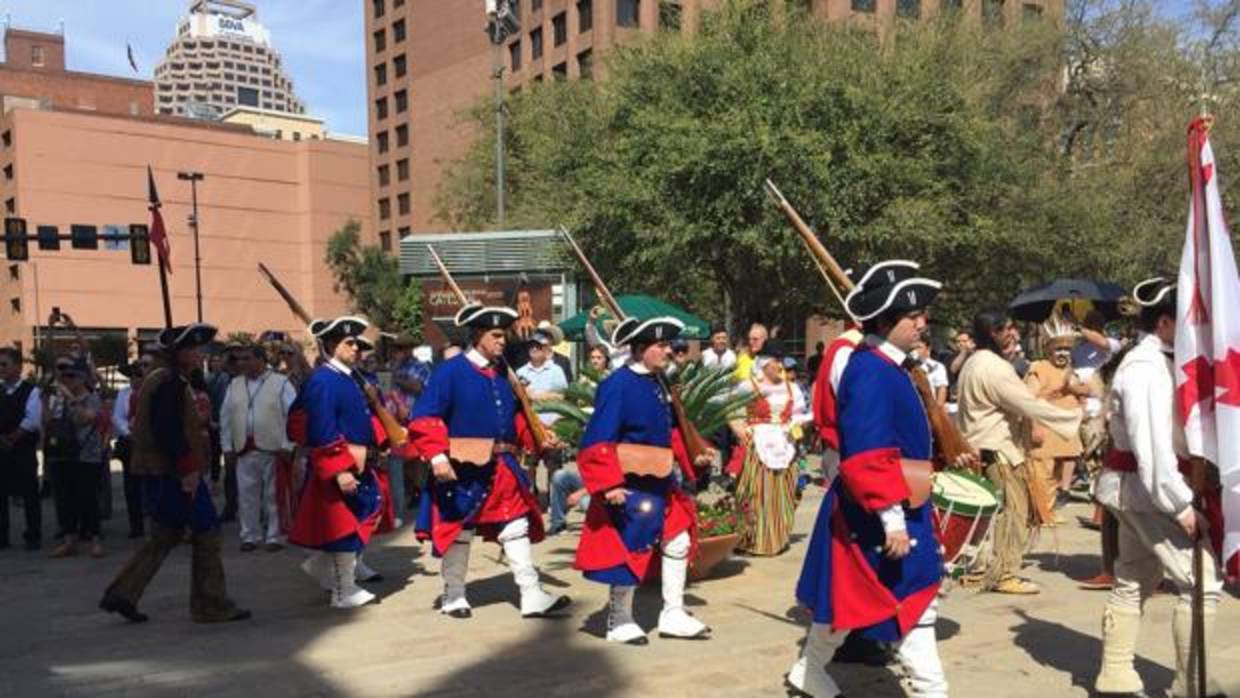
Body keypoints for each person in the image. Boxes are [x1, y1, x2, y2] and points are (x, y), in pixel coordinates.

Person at [790, 260, 949, 698]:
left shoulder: (888, 365)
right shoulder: (870, 370)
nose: (922, 324)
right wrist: (891, 519)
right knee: (912, 602)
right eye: (912, 317)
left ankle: (809, 670)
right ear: (885, 321)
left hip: (895, 500)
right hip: (879, 507)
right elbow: (868, 452)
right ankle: (932, 691)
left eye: (921, 315)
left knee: (850, 601)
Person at [1092, 278, 1226, 698]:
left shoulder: (1159, 361)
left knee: (1135, 576)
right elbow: (1150, 447)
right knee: (1202, 581)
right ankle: (1191, 684)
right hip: (1146, 490)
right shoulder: (1145, 368)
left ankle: (1115, 676)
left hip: (1140, 488)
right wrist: (1180, 504)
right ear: (1164, 322)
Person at [408, 302, 570, 620]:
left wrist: (540, 437)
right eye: (495, 334)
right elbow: (425, 417)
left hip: (503, 464)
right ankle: (454, 594)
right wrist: (437, 456)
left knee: (516, 523)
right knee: (460, 530)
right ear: (477, 335)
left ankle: (532, 594)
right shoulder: (450, 372)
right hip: (462, 466)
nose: (502, 340)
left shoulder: (502, 373)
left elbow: (515, 419)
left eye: (503, 334)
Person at [575, 315, 716, 644]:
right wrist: (609, 483)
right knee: (630, 548)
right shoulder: (617, 384)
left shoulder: (659, 381)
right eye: (661, 345)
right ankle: (619, 619)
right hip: (628, 484)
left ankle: (673, 614)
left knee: (678, 540)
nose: (668, 351)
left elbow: (669, 432)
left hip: (661, 481)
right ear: (640, 349)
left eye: (668, 345)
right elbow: (598, 439)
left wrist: (692, 455)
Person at [100, 323, 250, 624]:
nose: (198, 355)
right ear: (177, 353)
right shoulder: (169, 382)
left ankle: (123, 593)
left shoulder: (162, 378)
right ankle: (210, 603)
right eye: (192, 349)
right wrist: (188, 470)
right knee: (207, 531)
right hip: (173, 472)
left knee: (165, 534)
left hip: (162, 472)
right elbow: (168, 431)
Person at [957, 309, 1080, 595]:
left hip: (979, 447)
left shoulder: (974, 362)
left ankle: (978, 568)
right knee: (1013, 513)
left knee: (988, 514)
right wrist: (1071, 419)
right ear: (992, 333)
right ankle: (1004, 574)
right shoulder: (994, 367)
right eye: (1006, 329)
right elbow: (1027, 403)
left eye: (1013, 328)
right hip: (998, 450)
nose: (1013, 333)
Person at [288, 317, 388, 609]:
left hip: (358, 459)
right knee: (343, 528)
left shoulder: (349, 378)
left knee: (361, 517)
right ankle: (343, 590)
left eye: (357, 342)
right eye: (349, 342)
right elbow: (322, 428)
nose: (356, 348)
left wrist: (379, 444)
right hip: (341, 463)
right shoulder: (324, 380)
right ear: (332, 345)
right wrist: (340, 468)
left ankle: (329, 573)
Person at [729, 353, 810, 556]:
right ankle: (752, 540)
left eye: (781, 362)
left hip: (784, 444)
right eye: (776, 362)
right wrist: (739, 429)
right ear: (764, 365)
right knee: (756, 493)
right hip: (758, 443)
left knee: (781, 493)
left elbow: (799, 413)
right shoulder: (750, 386)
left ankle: (776, 538)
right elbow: (731, 408)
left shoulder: (792, 388)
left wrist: (798, 423)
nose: (780, 366)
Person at [220, 344, 297, 552]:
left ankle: (274, 536)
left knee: (273, 495)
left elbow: (293, 416)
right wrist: (227, 446)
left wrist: (288, 444)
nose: (242, 363)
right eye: (240, 359)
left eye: (247, 359)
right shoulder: (234, 384)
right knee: (246, 495)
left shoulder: (281, 383)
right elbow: (225, 417)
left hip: (273, 447)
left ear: (261, 360)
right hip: (243, 447)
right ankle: (250, 535)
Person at [1023, 312, 1089, 525]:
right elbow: (1029, 401)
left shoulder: (1071, 371)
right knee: (1043, 471)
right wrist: (1035, 426)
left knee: (1058, 474)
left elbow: (1082, 393)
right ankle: (1039, 512)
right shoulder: (1039, 368)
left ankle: (1048, 511)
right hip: (1045, 430)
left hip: (1066, 431)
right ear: (1048, 350)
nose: (1062, 353)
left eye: (1067, 349)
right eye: (1058, 349)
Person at [45, 357, 105, 559]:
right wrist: (47, 401)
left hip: (86, 454)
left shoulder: (91, 397)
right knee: (65, 498)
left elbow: (86, 418)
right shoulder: (59, 398)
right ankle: (69, 539)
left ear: (83, 378)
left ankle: (95, 539)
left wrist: (70, 397)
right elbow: (48, 421)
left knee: (88, 497)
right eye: (65, 376)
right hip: (62, 454)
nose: (68, 379)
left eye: (72, 376)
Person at [0, 347, 42, 551]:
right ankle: (2, 536)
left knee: (29, 493)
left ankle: (33, 535)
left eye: (4, 364)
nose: (1, 368)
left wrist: (12, 438)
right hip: (2, 451)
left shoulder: (31, 391)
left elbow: (32, 420)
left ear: (18, 366)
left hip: (23, 449)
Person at [113, 356, 153, 539]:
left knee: (152, 483)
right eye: (132, 376)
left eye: (138, 375)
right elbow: (117, 417)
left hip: (149, 444)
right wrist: (128, 431)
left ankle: (157, 522)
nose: (134, 379)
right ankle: (136, 525)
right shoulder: (123, 394)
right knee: (131, 486)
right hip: (129, 443)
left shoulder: (152, 392)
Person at [206, 349, 240, 522]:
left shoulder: (242, 381)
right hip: (227, 429)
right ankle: (231, 507)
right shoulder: (219, 379)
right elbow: (214, 402)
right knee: (230, 473)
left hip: (245, 433)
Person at [547, 467, 589, 536]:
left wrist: (581, 493)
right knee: (560, 476)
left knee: (585, 503)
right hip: (588, 484)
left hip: (602, 492)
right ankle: (558, 525)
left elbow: (606, 482)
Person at [910, 339, 949, 406]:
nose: (915, 351)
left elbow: (941, 389)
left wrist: (938, 409)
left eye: (918, 347)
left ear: (928, 349)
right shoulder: (904, 365)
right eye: (912, 348)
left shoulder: (937, 366)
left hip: (928, 406)